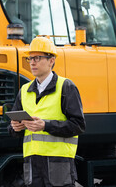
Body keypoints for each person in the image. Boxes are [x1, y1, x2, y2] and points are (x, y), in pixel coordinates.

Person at [8, 37, 86, 187]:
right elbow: (13, 128)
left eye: (37, 58)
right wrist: (15, 128)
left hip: (58, 162)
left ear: (51, 61)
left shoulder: (66, 87)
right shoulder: (24, 91)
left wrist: (45, 126)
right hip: (32, 163)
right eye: (30, 58)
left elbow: (78, 125)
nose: (32, 62)